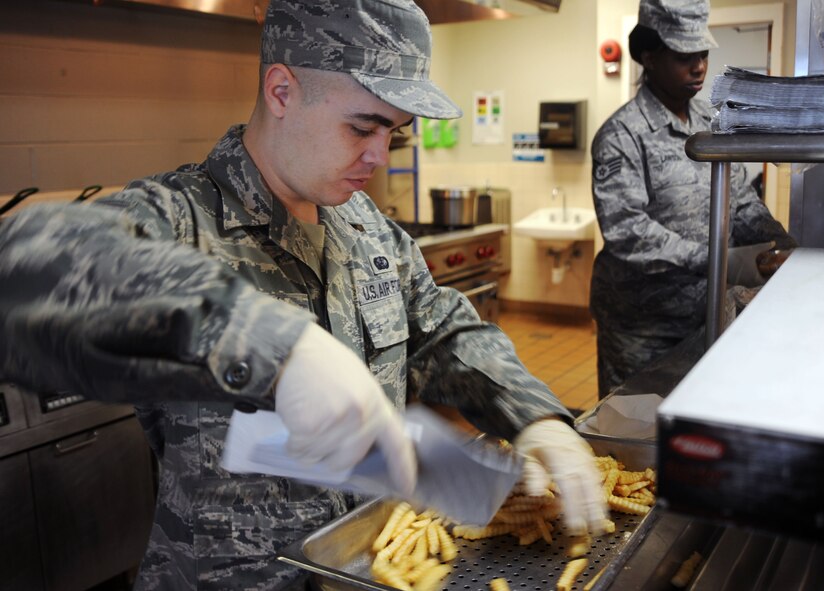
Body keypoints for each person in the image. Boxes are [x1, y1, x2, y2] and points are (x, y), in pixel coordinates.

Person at [0, 1, 607, 589]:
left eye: (393, 133)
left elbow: (443, 330)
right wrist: (275, 349)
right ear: (282, 91)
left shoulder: (366, 227)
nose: (378, 156)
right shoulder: (181, 219)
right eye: (361, 127)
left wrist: (534, 416)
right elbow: (25, 266)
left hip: (366, 569)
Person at [589, 0, 798, 397]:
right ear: (648, 56)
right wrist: (723, 261)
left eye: (702, 53)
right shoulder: (622, 135)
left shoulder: (712, 125)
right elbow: (627, 232)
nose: (699, 65)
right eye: (684, 55)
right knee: (633, 427)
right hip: (642, 324)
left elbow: (741, 201)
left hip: (706, 313)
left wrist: (781, 242)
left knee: (695, 416)